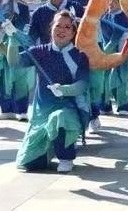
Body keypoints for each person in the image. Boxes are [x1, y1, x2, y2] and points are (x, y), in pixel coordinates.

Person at [9, 10, 90, 173]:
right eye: (58, 25)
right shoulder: (39, 51)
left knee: (59, 118)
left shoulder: (79, 56)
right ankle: (52, 147)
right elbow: (14, 62)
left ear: (73, 32)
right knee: (30, 164)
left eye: (67, 27)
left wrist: (64, 90)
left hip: (70, 109)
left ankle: (66, 156)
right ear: (51, 28)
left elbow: (82, 85)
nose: (62, 30)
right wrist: (12, 39)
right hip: (42, 113)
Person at [0, 0, 33, 121]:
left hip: (18, 48)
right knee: (3, 80)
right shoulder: (0, 6)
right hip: (1, 47)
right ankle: (6, 109)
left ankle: (21, 110)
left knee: (21, 81)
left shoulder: (24, 8)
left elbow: (26, 28)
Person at [101, 0, 128, 115]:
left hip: (120, 52)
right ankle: (105, 105)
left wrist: (104, 52)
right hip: (106, 51)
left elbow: (115, 38)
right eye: (110, 0)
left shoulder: (121, 17)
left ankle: (124, 105)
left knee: (119, 79)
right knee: (104, 78)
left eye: (115, 1)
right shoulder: (105, 16)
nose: (111, 3)